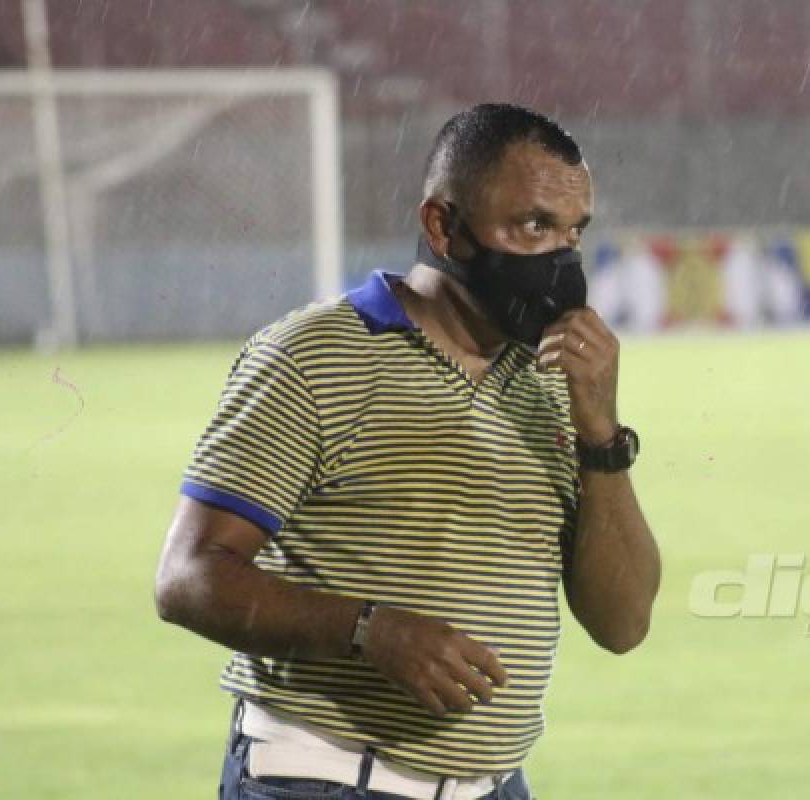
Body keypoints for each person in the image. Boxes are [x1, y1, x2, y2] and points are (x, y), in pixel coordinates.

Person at [154, 103, 662, 800]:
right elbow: (187, 579)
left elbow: (624, 623)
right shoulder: (314, 355)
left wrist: (601, 434)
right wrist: (370, 631)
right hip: (323, 777)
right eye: (534, 225)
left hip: (495, 785)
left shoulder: (550, 381)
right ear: (443, 227)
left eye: (574, 232)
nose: (562, 261)